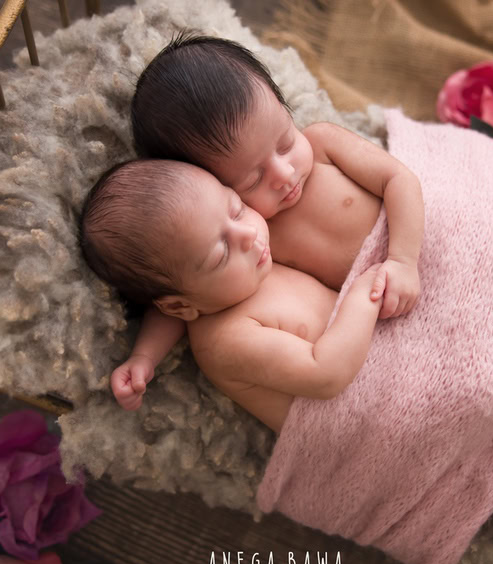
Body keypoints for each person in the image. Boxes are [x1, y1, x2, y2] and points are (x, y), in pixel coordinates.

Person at [113, 33, 424, 410]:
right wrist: (144, 357)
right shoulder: (248, 235)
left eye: (285, 142)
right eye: (252, 179)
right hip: (379, 304)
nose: (283, 173)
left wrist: (404, 259)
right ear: (208, 184)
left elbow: (400, 180)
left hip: (411, 242)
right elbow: (187, 290)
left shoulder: (323, 144)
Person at [81, 159, 386, 433]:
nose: (248, 234)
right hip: (374, 421)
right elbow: (326, 376)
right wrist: (364, 294)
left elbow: (171, 308)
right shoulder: (224, 340)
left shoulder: (234, 276)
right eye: (221, 252)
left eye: (236, 208)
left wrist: (145, 356)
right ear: (180, 305)